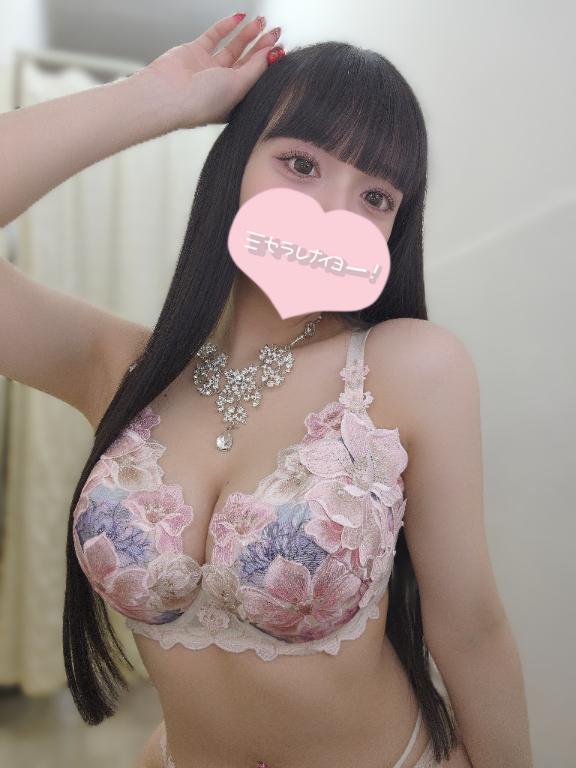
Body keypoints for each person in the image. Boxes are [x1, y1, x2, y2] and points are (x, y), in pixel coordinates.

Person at [0, 11, 533, 768]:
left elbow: (470, 626)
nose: (332, 213)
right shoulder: (119, 366)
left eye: (376, 197)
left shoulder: (411, 368)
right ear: (235, 163)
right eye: (301, 163)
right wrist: (157, 98)